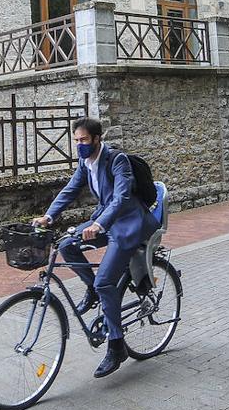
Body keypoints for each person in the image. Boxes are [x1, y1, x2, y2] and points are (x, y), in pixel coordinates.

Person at [33, 117, 156, 378]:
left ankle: (116, 345)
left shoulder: (116, 160)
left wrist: (99, 225)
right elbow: (70, 190)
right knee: (67, 244)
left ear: (97, 139)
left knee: (105, 282)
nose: (79, 145)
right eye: (76, 140)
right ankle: (93, 289)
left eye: (84, 140)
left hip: (127, 224)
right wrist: (49, 216)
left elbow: (121, 197)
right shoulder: (84, 162)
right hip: (104, 222)